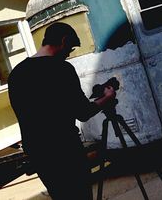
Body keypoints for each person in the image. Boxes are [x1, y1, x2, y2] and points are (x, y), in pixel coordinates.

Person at [8, 22, 116, 200]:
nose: (68, 54)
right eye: (70, 49)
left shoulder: (17, 74)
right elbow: (83, 112)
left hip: (38, 154)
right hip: (66, 151)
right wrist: (107, 98)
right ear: (64, 41)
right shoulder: (62, 69)